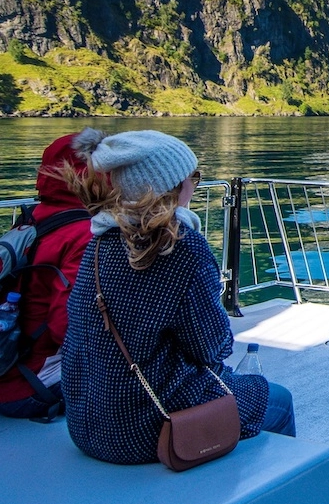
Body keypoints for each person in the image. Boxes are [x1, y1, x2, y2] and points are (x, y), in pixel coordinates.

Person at [61, 130, 296, 464]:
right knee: (276, 399)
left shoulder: (100, 242)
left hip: (88, 425)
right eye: (193, 177)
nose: (195, 186)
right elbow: (212, 349)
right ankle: (258, 489)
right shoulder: (183, 247)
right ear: (172, 186)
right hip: (149, 429)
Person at [0, 131, 107, 421]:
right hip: (31, 386)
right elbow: (67, 328)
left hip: (9, 368)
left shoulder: (32, 219)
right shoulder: (85, 234)